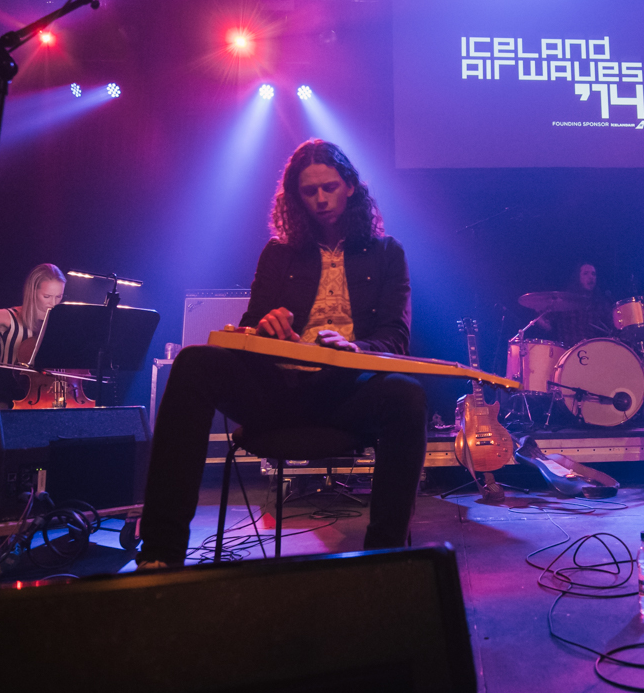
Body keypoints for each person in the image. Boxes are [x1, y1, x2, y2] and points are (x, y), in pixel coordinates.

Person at [136, 140, 426, 567]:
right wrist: (265, 328)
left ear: (350, 186)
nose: (321, 199)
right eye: (310, 192)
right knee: (194, 363)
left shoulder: (387, 253)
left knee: (406, 392)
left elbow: (395, 339)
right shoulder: (279, 252)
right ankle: (160, 553)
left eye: (329, 187)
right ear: (295, 197)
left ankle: (383, 557)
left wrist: (353, 348)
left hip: (345, 393)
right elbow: (251, 328)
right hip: (279, 389)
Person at [0, 263, 67, 366]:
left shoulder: (62, 324)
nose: (54, 303)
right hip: (8, 381)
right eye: (47, 296)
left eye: (58, 296)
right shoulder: (8, 317)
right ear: (32, 292)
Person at [533, 261, 615, 347]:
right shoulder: (565, 301)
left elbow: (613, 328)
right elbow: (548, 325)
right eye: (585, 274)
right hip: (569, 351)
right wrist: (540, 315)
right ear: (577, 278)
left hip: (596, 351)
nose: (591, 277)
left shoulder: (601, 303)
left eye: (593, 274)